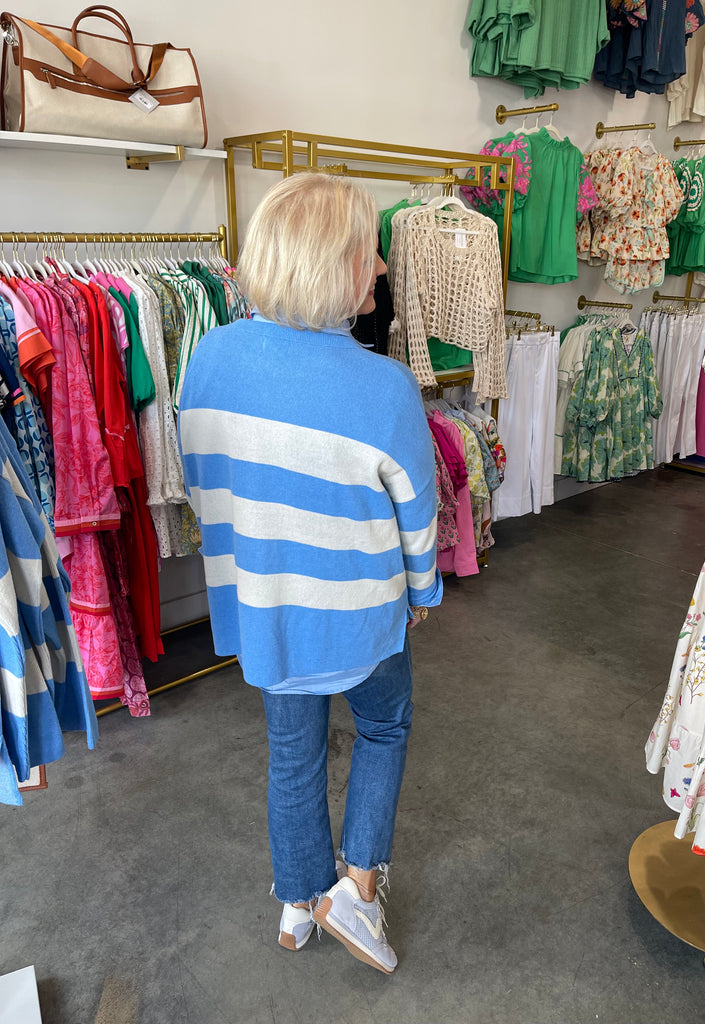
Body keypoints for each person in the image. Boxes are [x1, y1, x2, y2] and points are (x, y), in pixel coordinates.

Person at [177, 172, 443, 975]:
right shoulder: (384, 385)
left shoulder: (210, 357)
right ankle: (355, 891)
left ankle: (298, 902)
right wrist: (423, 592)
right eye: (373, 252)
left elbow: (200, 480)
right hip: (359, 611)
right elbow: (417, 515)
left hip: (265, 606)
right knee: (385, 724)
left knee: (291, 755)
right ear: (338, 263)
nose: (385, 268)